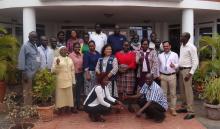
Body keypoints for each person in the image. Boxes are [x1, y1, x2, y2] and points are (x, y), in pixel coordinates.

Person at [176, 32, 199, 120]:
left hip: (187, 71)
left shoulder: (192, 47)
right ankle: (184, 107)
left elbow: (195, 61)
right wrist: (177, 67)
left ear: (187, 38)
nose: (180, 37)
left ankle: (191, 111)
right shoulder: (182, 46)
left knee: (188, 91)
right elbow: (182, 59)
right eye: (181, 35)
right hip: (181, 70)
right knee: (182, 91)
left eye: (182, 36)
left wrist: (190, 73)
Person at [51, 46, 77, 114]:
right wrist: (57, 64)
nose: (64, 51)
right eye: (63, 50)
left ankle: (68, 108)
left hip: (69, 80)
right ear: (59, 51)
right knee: (60, 96)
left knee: (68, 95)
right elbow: (53, 71)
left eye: (65, 50)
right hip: (60, 80)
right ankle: (60, 109)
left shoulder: (69, 59)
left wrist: (73, 81)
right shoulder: (56, 59)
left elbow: (72, 71)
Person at [18, 31, 41, 105]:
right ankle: (28, 109)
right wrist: (24, 73)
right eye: (33, 37)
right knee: (27, 92)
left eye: (36, 37)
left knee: (34, 91)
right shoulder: (25, 46)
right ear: (29, 37)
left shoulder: (35, 46)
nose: (35, 38)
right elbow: (21, 59)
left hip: (35, 73)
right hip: (28, 73)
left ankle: (33, 108)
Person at [115, 41, 136, 112]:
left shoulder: (133, 53)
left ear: (129, 46)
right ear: (122, 46)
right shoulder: (117, 54)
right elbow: (116, 63)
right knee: (120, 91)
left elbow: (133, 64)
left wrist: (126, 68)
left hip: (130, 73)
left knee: (129, 91)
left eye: (127, 45)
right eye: (124, 45)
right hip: (120, 73)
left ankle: (130, 106)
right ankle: (119, 106)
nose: (126, 47)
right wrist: (119, 69)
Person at [158, 41, 179, 116]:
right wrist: (159, 74)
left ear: (170, 46)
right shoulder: (160, 55)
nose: (166, 47)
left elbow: (178, 64)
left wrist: (174, 66)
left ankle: (172, 109)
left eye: (167, 46)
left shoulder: (175, 54)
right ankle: (164, 108)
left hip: (172, 76)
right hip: (163, 76)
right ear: (163, 47)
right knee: (163, 94)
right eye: (164, 46)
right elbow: (158, 65)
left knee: (173, 94)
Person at [69, 43, 84, 110]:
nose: (77, 48)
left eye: (78, 47)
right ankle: (73, 106)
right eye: (76, 47)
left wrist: (82, 67)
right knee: (74, 91)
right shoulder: (70, 55)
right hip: (73, 75)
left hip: (80, 74)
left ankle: (79, 105)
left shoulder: (82, 55)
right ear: (73, 47)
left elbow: (84, 64)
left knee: (79, 90)